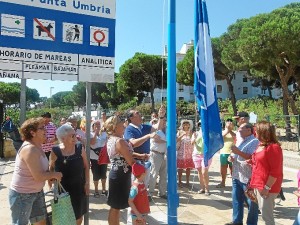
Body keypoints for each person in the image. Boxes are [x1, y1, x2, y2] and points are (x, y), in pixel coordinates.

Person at [9, 117, 62, 225]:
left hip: (36, 192)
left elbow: (41, 170)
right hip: (22, 195)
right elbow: (38, 176)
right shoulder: (30, 149)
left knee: (41, 222)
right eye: (42, 128)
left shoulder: (38, 146)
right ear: (32, 132)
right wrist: (55, 174)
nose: (46, 130)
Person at [105, 115, 146, 225]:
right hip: (120, 176)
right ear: (115, 127)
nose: (124, 126)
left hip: (117, 174)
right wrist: (142, 168)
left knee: (115, 206)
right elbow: (130, 161)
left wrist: (140, 156)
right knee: (115, 207)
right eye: (121, 124)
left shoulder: (111, 139)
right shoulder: (120, 141)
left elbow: (125, 154)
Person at [49, 123, 89, 225]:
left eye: (75, 134)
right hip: (62, 189)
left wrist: (87, 183)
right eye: (72, 136)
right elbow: (51, 168)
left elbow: (86, 166)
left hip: (78, 188)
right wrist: (50, 181)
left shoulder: (80, 148)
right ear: (63, 138)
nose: (76, 137)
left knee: (78, 217)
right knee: (64, 218)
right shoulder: (55, 151)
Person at [249, 121, 283, 225]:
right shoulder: (261, 145)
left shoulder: (273, 147)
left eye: (256, 131)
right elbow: (260, 162)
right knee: (264, 214)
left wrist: (266, 188)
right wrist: (251, 162)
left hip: (268, 187)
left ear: (263, 132)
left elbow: (275, 171)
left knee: (267, 216)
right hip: (259, 184)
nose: (255, 133)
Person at [225, 123, 259, 225]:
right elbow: (236, 154)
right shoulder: (242, 141)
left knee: (252, 204)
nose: (239, 130)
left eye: (241, 128)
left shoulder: (254, 142)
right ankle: (237, 221)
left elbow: (251, 158)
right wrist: (231, 157)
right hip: (236, 176)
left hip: (247, 178)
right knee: (237, 201)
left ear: (249, 130)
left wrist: (238, 152)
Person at [124, 106, 166, 188]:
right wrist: (148, 136)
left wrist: (161, 117)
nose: (140, 114)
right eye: (137, 113)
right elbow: (133, 143)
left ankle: (142, 199)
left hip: (145, 161)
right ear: (131, 118)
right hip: (135, 162)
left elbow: (158, 128)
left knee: (144, 185)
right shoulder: (129, 129)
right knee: (135, 186)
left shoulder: (144, 126)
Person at [148, 118, 167, 199]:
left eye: (165, 120)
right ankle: (150, 193)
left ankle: (162, 192)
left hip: (164, 154)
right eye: (163, 120)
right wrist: (168, 141)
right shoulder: (155, 128)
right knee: (154, 174)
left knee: (163, 175)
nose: (164, 122)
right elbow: (156, 140)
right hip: (156, 154)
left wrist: (165, 140)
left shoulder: (167, 130)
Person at [191, 120, 211, 195]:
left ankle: (207, 189)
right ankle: (202, 188)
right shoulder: (196, 133)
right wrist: (195, 138)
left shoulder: (209, 133)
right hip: (196, 154)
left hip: (206, 155)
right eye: (200, 124)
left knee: (204, 172)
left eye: (203, 124)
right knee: (199, 172)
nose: (201, 126)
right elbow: (192, 143)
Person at [90, 120, 108, 197]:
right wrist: (95, 133)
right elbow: (92, 143)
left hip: (103, 157)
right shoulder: (90, 134)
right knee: (95, 175)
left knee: (104, 174)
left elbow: (107, 143)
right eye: (96, 125)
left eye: (99, 124)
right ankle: (96, 190)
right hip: (94, 158)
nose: (97, 126)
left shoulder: (104, 134)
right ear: (93, 126)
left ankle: (104, 190)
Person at [216, 118, 235, 188]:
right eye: (228, 122)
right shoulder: (222, 132)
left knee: (232, 168)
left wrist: (230, 130)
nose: (230, 123)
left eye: (231, 123)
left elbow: (235, 137)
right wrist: (227, 130)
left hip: (233, 153)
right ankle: (223, 182)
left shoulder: (235, 132)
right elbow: (220, 138)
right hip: (224, 152)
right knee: (223, 168)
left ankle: (234, 183)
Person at [176, 119, 195, 188]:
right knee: (180, 167)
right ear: (182, 125)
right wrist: (182, 135)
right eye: (184, 124)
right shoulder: (180, 132)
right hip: (181, 152)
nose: (186, 125)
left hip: (189, 152)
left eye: (187, 124)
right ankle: (180, 181)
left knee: (188, 167)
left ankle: (187, 181)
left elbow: (192, 141)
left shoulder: (191, 132)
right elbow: (176, 140)